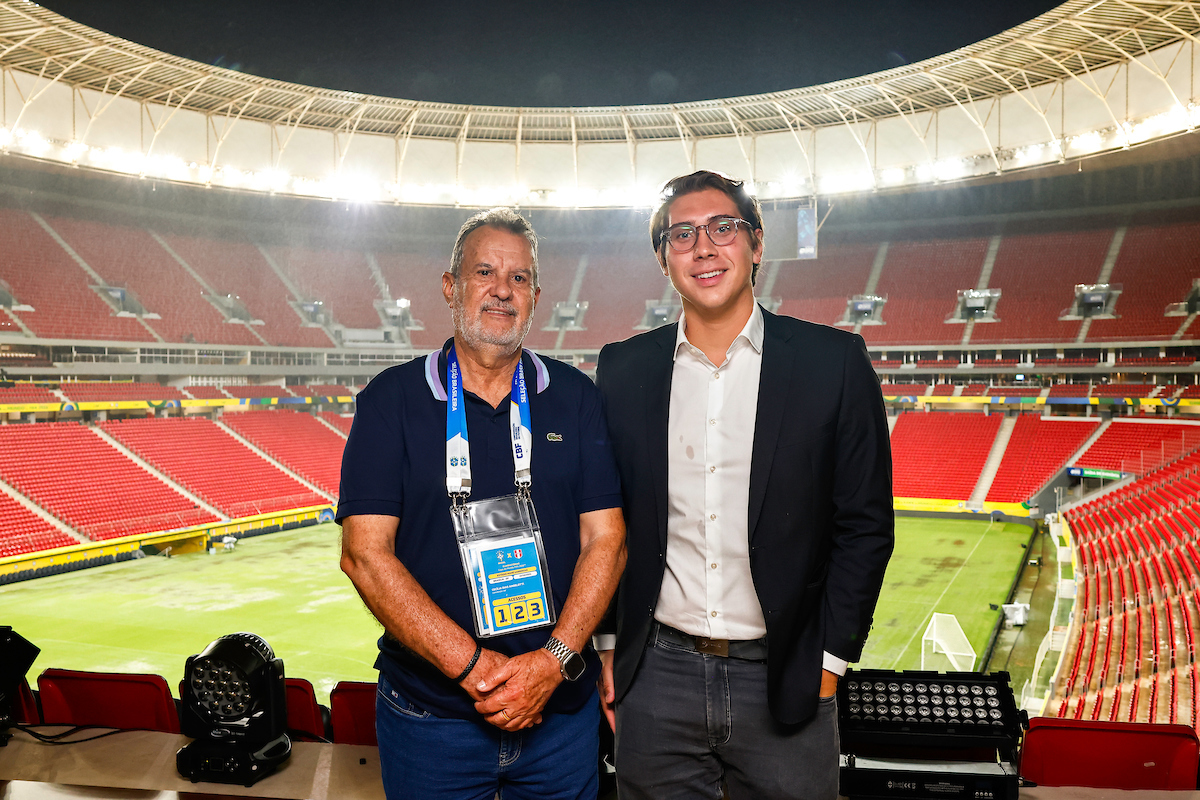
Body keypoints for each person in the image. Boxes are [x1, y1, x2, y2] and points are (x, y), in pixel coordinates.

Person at [594, 171, 894, 799]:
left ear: (756, 245)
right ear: (663, 258)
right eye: (682, 234)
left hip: (785, 675)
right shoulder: (623, 368)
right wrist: (610, 646)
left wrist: (830, 661)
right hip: (657, 677)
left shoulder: (833, 362)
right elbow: (606, 518)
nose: (704, 247)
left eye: (723, 227)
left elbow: (865, 524)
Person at [339, 207, 626, 800]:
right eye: (484, 272)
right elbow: (365, 556)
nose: (502, 290)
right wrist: (475, 669)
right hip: (431, 719)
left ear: (537, 296)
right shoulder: (389, 400)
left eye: (519, 278)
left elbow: (608, 541)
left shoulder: (574, 397)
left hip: (561, 717)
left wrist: (551, 664)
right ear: (450, 286)